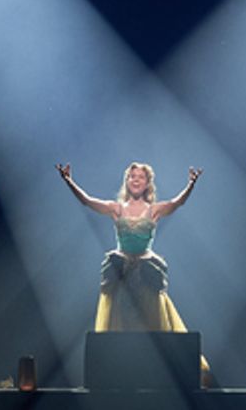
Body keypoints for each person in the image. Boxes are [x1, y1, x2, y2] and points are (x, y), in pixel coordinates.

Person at [57, 161, 212, 380]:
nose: (136, 180)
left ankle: (155, 374)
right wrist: (69, 181)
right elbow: (88, 202)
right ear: (127, 181)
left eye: (140, 177)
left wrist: (191, 185)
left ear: (147, 183)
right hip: (121, 273)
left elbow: (177, 203)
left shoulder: (153, 210)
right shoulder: (117, 208)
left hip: (146, 273)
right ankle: (119, 374)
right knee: (121, 326)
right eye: (132, 176)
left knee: (150, 327)